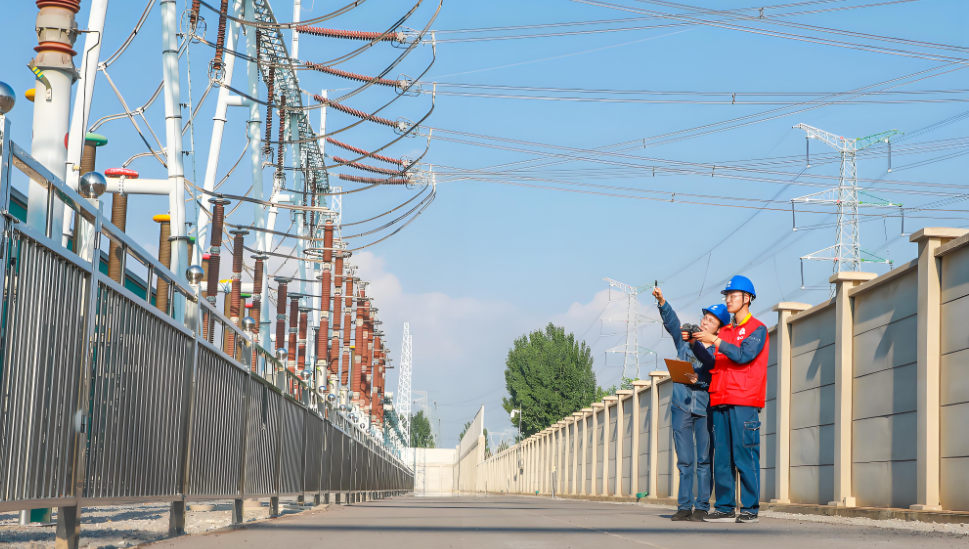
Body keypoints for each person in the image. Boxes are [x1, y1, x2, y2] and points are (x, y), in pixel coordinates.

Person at [692, 275, 770, 524]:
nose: (728, 300)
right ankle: (725, 507)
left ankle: (750, 508)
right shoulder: (724, 331)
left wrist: (714, 340)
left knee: (744, 455)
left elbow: (744, 355)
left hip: (745, 401)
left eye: (733, 295)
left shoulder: (757, 328)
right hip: (720, 399)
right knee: (722, 458)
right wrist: (695, 343)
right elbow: (714, 362)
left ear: (747, 299)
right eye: (727, 295)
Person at [652, 286, 731, 522]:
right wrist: (663, 303)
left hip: (705, 409)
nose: (705, 322)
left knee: (704, 460)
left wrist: (702, 382)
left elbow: (717, 376)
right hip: (681, 407)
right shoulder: (685, 342)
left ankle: (702, 506)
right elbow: (673, 323)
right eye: (704, 318)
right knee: (685, 460)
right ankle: (684, 506)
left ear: (719, 327)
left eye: (711, 320)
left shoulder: (719, 351)